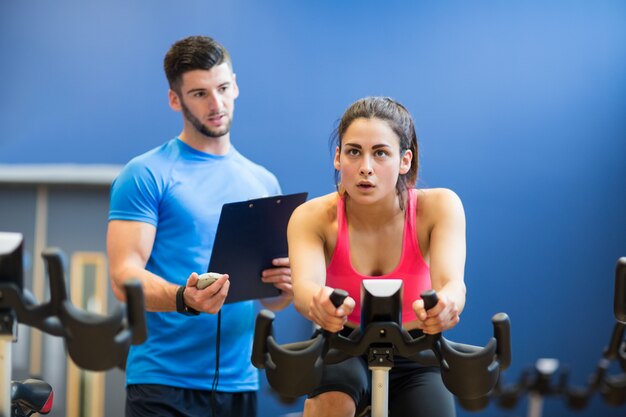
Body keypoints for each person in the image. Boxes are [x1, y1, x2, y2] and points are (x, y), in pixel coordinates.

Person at [106, 35, 293, 417]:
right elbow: (123, 277)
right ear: (175, 99)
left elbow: (271, 297)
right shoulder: (145, 174)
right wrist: (183, 298)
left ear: (236, 85)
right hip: (161, 383)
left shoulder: (264, 183)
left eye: (223, 88)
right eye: (199, 93)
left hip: (239, 382)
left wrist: (285, 287)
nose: (217, 104)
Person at [288, 96, 467, 417]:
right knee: (333, 404)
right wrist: (319, 301)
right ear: (338, 158)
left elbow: (452, 284)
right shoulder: (311, 217)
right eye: (354, 152)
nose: (365, 168)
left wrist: (447, 305)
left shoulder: (439, 207)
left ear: (405, 160)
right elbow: (304, 290)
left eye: (381, 153)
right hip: (341, 344)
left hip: (415, 350)